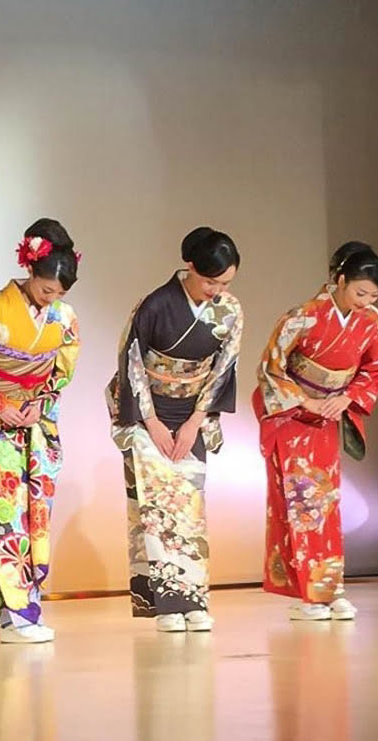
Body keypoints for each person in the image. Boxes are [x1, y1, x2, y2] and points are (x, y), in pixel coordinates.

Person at [0, 218, 81, 643]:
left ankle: (13, 611)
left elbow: (61, 371)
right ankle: (20, 615)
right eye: (46, 291)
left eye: (59, 294)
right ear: (30, 270)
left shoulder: (64, 317)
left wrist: (38, 404)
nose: (52, 300)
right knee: (3, 511)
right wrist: (2, 406)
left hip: (35, 423)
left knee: (35, 515)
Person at [106, 226, 242, 632]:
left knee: (190, 510)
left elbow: (223, 369)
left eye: (225, 283)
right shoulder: (154, 305)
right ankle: (167, 606)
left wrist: (194, 423)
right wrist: (152, 422)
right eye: (210, 281)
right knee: (154, 510)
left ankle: (194, 600)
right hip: (149, 412)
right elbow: (131, 364)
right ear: (189, 266)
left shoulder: (230, 311)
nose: (216, 291)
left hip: (192, 415)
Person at [253, 243, 378, 621]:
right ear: (340, 280)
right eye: (359, 292)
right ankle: (310, 594)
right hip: (293, 417)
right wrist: (307, 402)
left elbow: (374, 368)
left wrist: (346, 399)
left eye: (373, 296)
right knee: (302, 502)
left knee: (325, 505)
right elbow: (271, 369)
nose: (365, 302)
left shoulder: (371, 321)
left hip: (329, 416)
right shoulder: (303, 317)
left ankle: (330, 588)